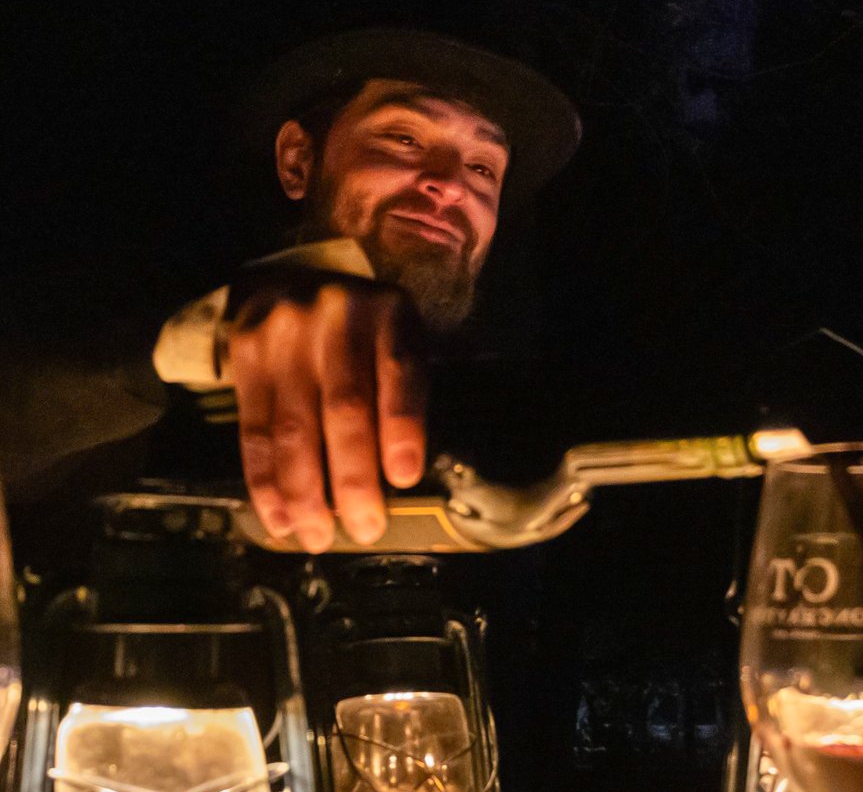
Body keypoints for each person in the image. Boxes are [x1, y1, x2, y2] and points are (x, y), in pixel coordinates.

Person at [149, 28, 582, 553]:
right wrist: (210, 333)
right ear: (298, 161)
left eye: (482, 167)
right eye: (405, 139)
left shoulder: (513, 432)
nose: (450, 184)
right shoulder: (148, 358)